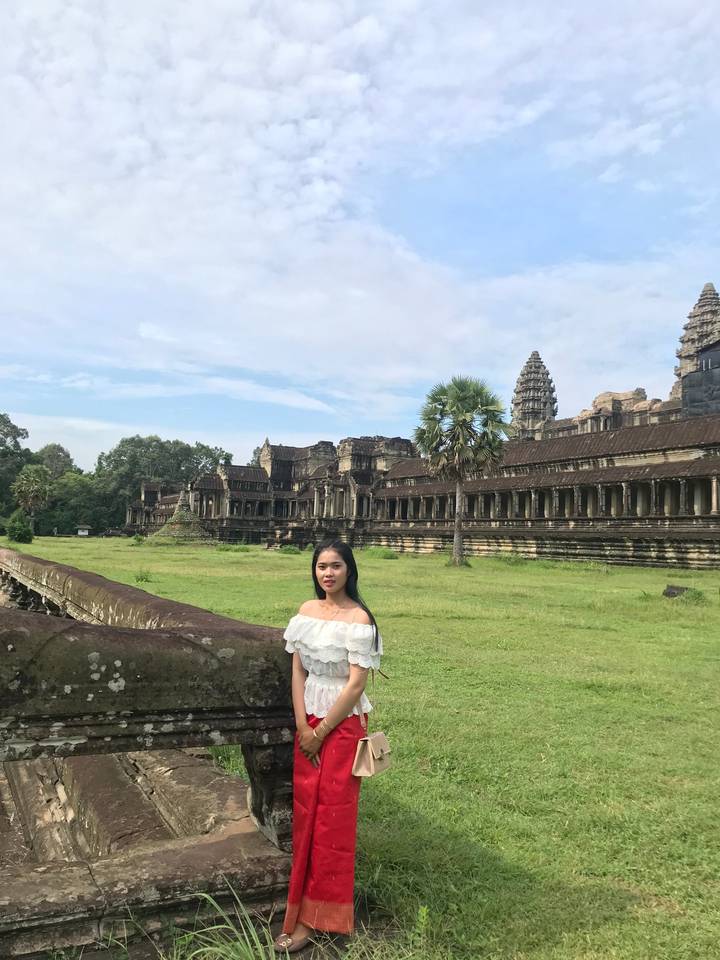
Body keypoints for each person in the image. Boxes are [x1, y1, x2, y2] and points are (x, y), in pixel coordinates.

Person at [274, 539, 382, 954]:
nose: (328, 574)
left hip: (342, 723)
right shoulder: (305, 613)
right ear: (314, 571)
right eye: (321, 566)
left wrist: (320, 733)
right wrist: (304, 726)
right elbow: (297, 672)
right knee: (306, 812)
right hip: (310, 720)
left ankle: (316, 919)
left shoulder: (360, 619)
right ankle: (299, 909)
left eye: (336, 566)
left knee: (333, 820)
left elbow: (355, 684)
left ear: (349, 570)